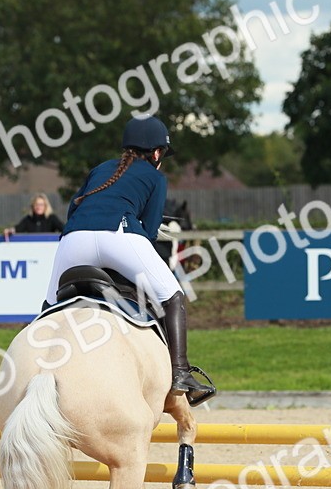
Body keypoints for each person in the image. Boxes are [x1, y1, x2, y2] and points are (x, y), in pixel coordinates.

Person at [44, 115, 213, 402]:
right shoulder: (156, 177)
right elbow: (147, 230)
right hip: (119, 235)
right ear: (157, 153)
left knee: (48, 307)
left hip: (73, 239)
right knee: (173, 296)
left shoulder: (99, 169)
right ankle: (181, 373)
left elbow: (74, 209)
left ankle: (33, 362)